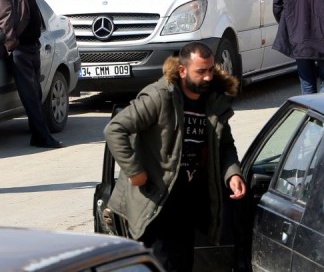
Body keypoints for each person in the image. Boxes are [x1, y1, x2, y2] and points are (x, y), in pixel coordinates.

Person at [104, 42, 246, 271]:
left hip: (188, 204)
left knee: (184, 264)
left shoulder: (213, 102)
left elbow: (225, 145)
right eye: (201, 71)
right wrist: (135, 172)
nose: (208, 77)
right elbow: (115, 129)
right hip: (157, 202)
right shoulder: (160, 97)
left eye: (210, 70)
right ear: (182, 71)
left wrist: (232, 173)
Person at [0, 0, 61, 149]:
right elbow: (4, 18)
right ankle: (42, 137)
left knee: (36, 93)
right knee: (30, 95)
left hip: (32, 46)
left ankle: (38, 135)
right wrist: (12, 45)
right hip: (19, 49)